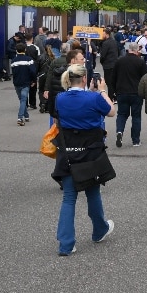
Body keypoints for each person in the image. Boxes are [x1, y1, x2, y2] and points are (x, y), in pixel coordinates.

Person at [51, 68, 115, 256]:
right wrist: (102, 90)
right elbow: (111, 111)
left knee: (69, 197)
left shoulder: (60, 98)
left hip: (68, 152)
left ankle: (66, 243)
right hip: (91, 151)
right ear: (85, 78)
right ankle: (99, 229)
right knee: (93, 191)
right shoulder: (93, 98)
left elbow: (57, 121)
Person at [111, 40, 147, 148]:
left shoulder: (119, 61)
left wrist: (114, 92)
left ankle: (119, 132)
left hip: (122, 92)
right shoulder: (140, 62)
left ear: (128, 50)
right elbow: (145, 78)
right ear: (137, 50)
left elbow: (113, 78)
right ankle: (135, 141)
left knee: (122, 114)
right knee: (136, 116)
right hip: (136, 92)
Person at [10, 43, 37, 125]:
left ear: (16, 50)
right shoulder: (29, 60)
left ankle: (26, 115)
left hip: (17, 83)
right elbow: (33, 71)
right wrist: (34, 81)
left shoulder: (13, 61)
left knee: (22, 100)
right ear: (25, 50)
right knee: (23, 100)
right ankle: (20, 117)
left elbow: (13, 72)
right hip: (26, 82)